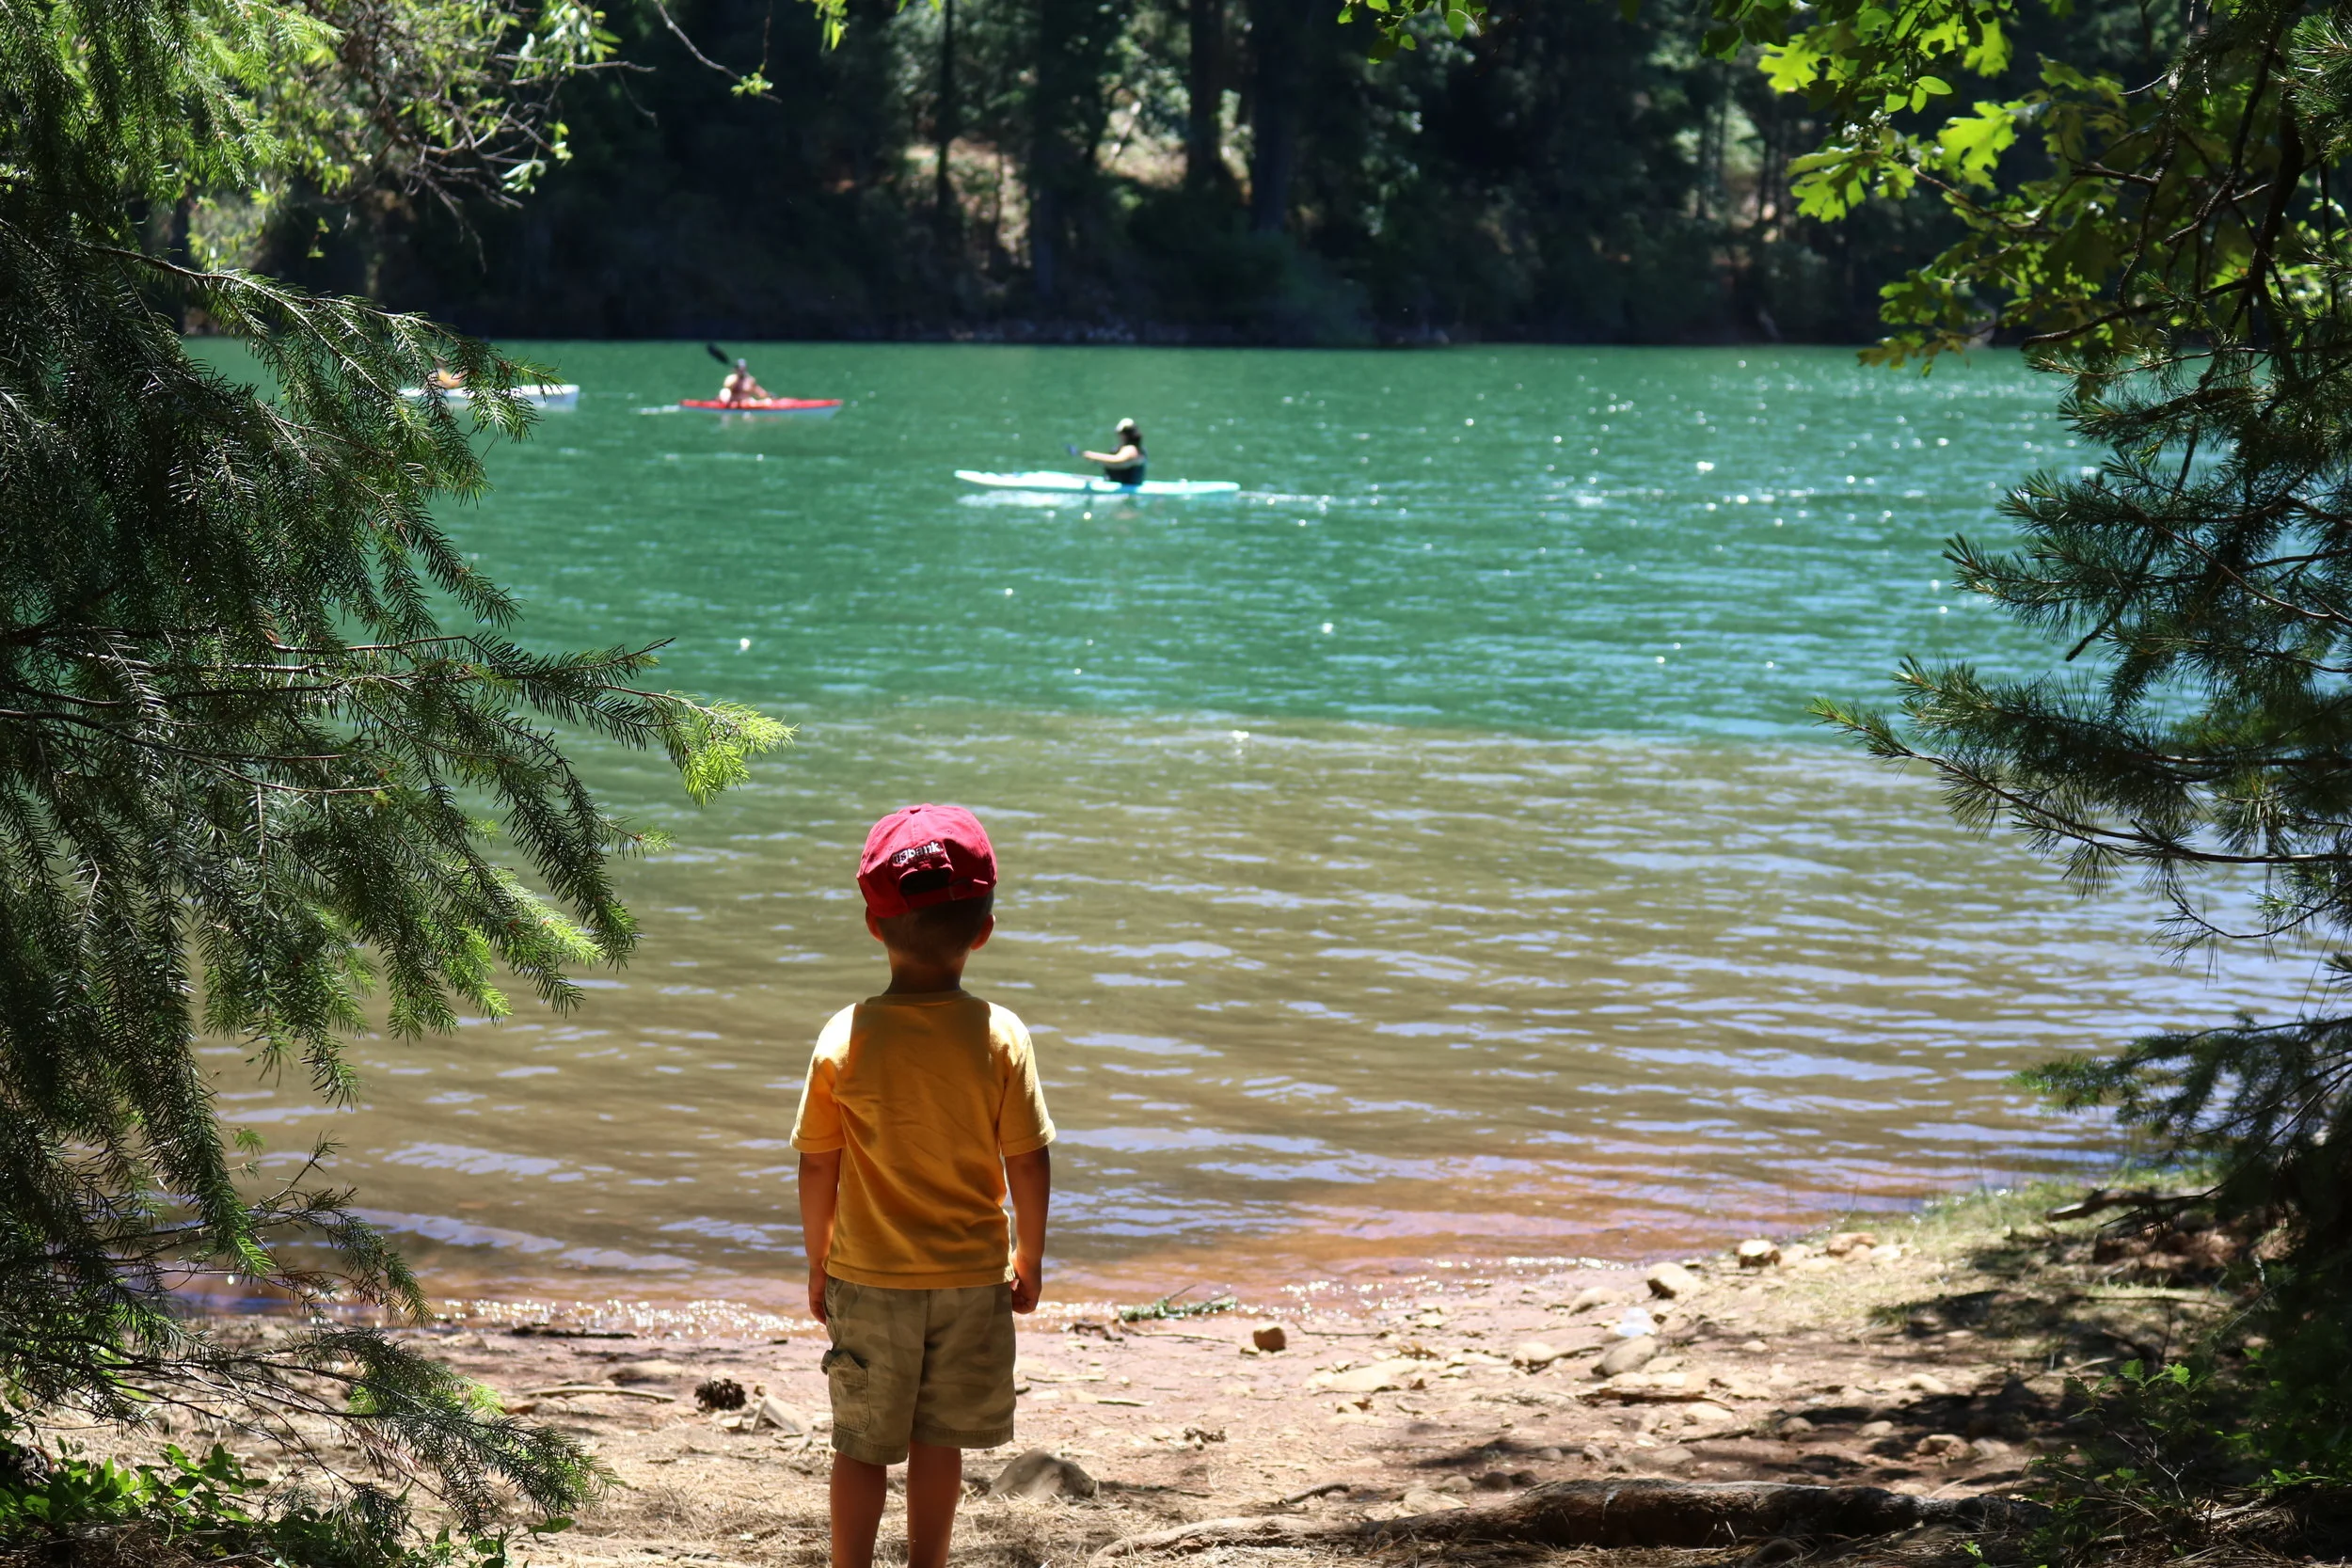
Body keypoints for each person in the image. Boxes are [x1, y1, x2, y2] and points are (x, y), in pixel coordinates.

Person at [792, 804, 1054, 1568]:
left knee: (861, 1444)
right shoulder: (1001, 1035)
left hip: (870, 1278)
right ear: (984, 928)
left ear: (875, 926)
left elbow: (818, 1163)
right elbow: (1029, 1159)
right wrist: (1029, 1254)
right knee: (940, 1440)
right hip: (973, 1276)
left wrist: (819, 1260)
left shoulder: (846, 1036)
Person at [1080, 418, 1146, 484]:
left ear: (1125, 435)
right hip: (1117, 484)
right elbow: (1117, 465)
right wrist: (1097, 460)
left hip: (1126, 489)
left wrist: (1093, 456)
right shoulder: (1136, 448)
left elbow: (1117, 460)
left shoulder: (1131, 449)